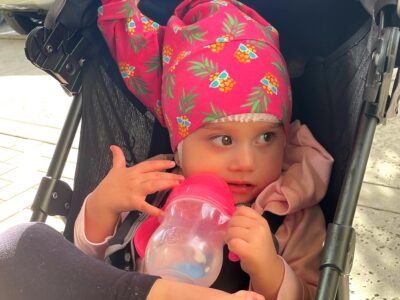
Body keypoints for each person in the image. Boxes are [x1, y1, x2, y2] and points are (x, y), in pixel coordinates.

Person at [74, 0, 334, 300]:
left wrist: (269, 270)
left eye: (266, 138)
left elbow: (316, 293)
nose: (247, 162)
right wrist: (102, 206)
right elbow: (86, 265)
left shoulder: (293, 213)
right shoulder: (153, 186)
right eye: (224, 140)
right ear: (180, 144)